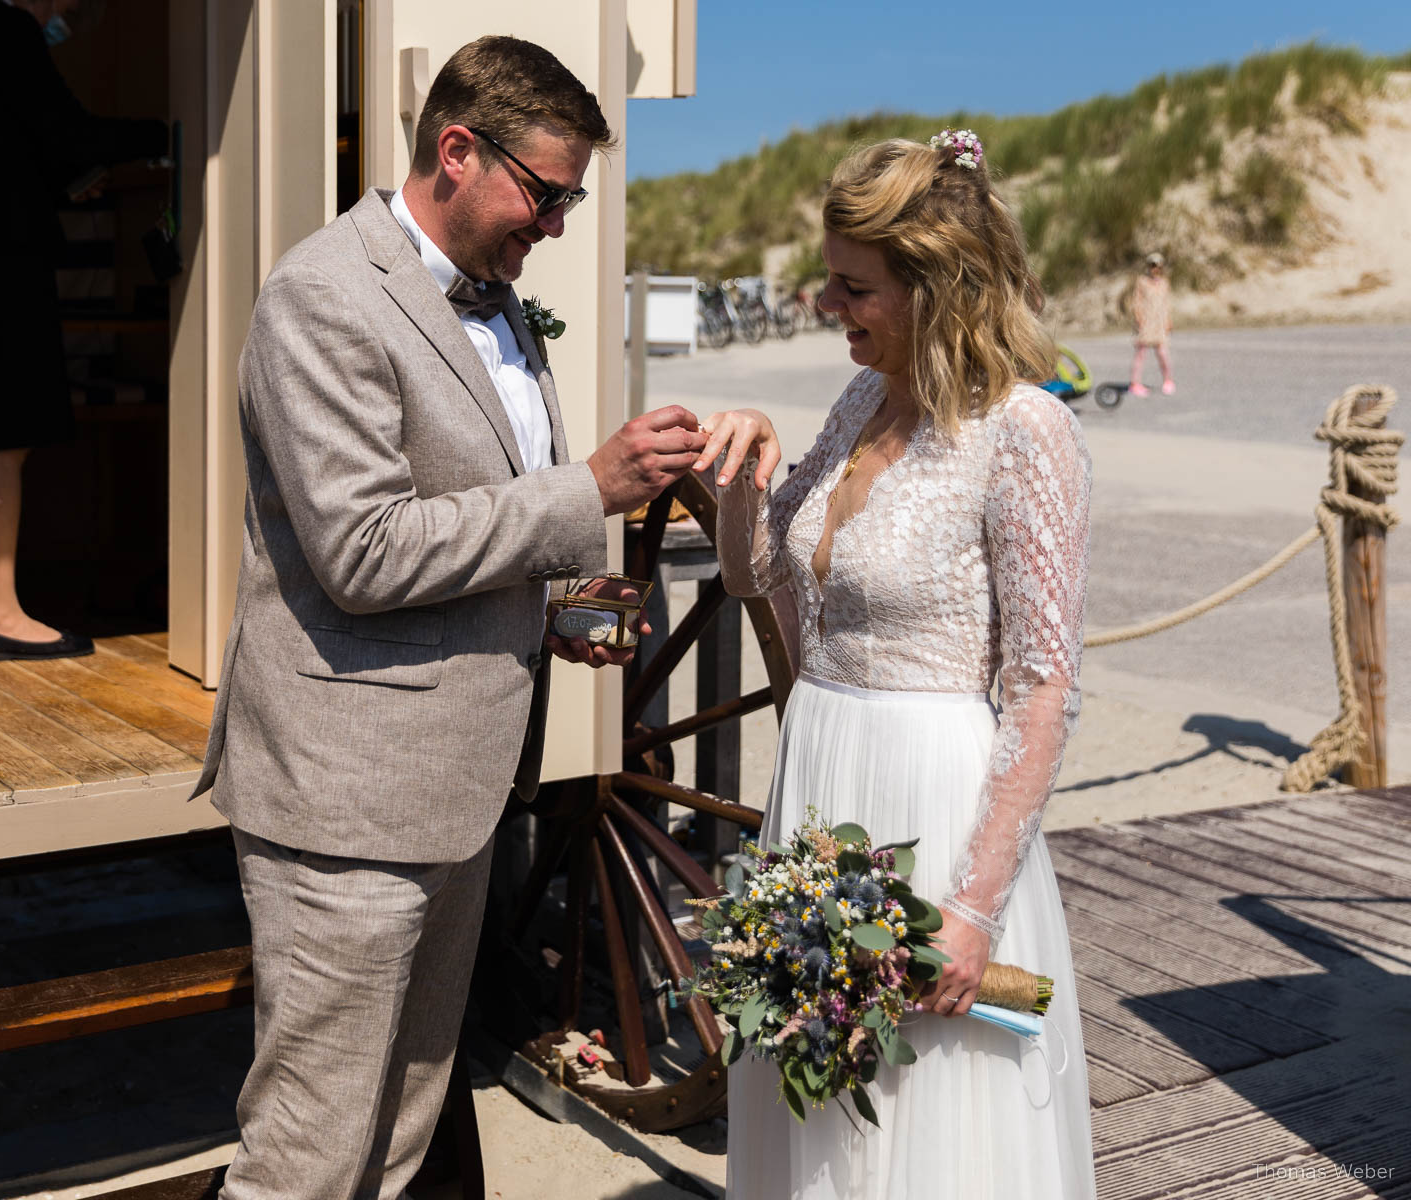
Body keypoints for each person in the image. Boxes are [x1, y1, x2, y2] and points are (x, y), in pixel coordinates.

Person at [188, 36, 708, 1198]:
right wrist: (591, 491)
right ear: (456, 150)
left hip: (458, 796)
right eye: (546, 193)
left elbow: (497, 495)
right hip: (349, 800)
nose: (558, 224)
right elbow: (363, 553)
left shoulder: (506, 304)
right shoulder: (320, 297)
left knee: (402, 1137)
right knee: (308, 1158)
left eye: (572, 198)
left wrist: (573, 605)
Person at [695, 130, 1095, 1198]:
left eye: (853, 287)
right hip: (820, 786)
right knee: (816, 1091)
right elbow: (756, 577)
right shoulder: (859, 405)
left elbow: (1045, 686)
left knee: (930, 1117)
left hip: (933, 803)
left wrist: (970, 912)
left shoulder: (1024, 431)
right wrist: (741, 473)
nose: (831, 305)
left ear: (938, 285)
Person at [0, 0, 167, 660]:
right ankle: (1, 612)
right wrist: (163, 135)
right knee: (4, 438)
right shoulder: (6, 29)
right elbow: (66, 133)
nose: (68, 13)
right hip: (1, 262)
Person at [1129, 251, 1175, 397]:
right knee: (1141, 354)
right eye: (1152, 265)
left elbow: (1167, 303)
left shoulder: (1164, 283)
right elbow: (1136, 301)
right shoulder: (1142, 281)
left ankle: (1168, 380)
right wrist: (1138, 318)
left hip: (1159, 322)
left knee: (1163, 353)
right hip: (1146, 322)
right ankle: (1135, 383)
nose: (1155, 269)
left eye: (1158, 266)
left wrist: (1168, 320)